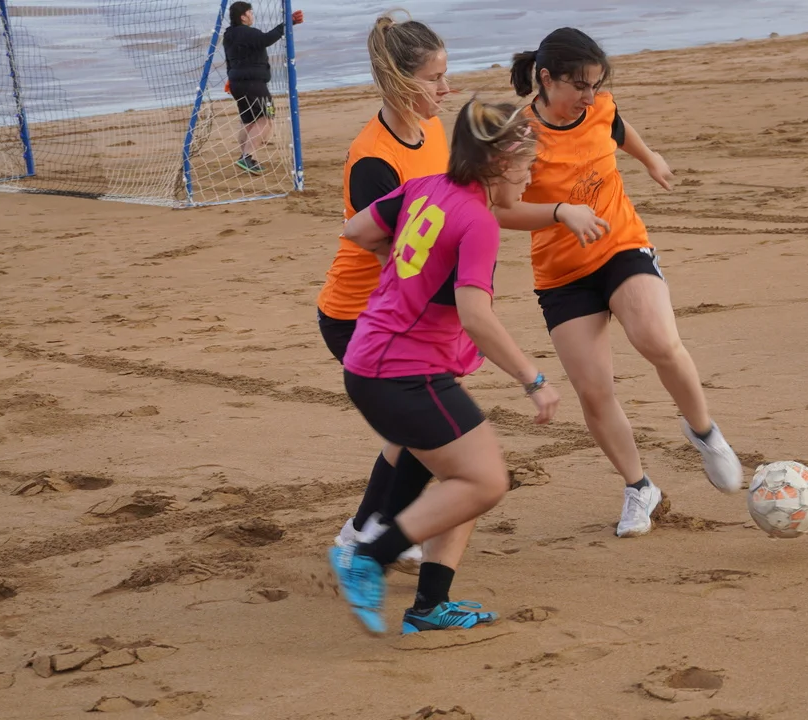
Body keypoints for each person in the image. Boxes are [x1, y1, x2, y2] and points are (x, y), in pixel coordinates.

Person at [495, 28, 744, 539]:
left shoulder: (601, 107)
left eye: (595, 85)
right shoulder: (519, 135)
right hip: (563, 274)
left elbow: (618, 128)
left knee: (657, 340)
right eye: (579, 86)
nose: (589, 96)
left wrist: (650, 159)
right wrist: (560, 212)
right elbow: (502, 209)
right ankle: (639, 488)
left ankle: (704, 431)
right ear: (547, 78)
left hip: (621, 245)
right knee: (593, 390)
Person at [330, 100, 560, 635]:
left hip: (373, 360)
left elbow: (358, 230)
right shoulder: (478, 220)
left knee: (465, 474)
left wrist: (404, 270)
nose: (529, 180)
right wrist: (533, 379)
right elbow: (475, 316)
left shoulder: (425, 186)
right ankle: (370, 555)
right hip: (402, 371)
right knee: (485, 480)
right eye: (526, 168)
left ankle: (429, 605)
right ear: (500, 163)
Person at [319, 11, 452, 573]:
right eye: (434, 79)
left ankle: (369, 527)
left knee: (416, 428)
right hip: (359, 315)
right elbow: (392, 258)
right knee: (427, 426)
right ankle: (367, 530)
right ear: (399, 81)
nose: (446, 89)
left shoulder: (433, 130)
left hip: (407, 307)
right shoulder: (373, 158)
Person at [222, 1, 304, 175]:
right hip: (253, 84)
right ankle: (247, 156)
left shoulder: (228, 35)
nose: (252, 16)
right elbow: (266, 39)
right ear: (243, 16)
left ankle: (246, 158)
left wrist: (230, 78)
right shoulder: (248, 33)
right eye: (250, 13)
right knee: (266, 119)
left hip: (237, 83)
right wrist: (288, 23)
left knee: (249, 121)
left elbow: (229, 60)